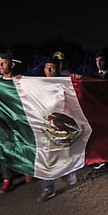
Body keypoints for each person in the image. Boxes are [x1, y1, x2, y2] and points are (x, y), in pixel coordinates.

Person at [37, 57, 78, 202]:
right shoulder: (38, 84)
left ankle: (70, 173)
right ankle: (48, 187)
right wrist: (19, 80)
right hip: (46, 125)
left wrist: (77, 79)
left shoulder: (64, 82)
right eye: (47, 67)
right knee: (47, 155)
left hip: (62, 124)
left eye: (52, 68)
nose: (49, 70)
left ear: (57, 69)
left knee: (66, 152)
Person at [0, 51, 33, 193]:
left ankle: (27, 169)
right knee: (4, 149)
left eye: (3, 63)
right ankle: (7, 180)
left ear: (12, 64)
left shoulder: (20, 80)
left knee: (22, 145)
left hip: (19, 119)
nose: (0, 66)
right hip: (3, 121)